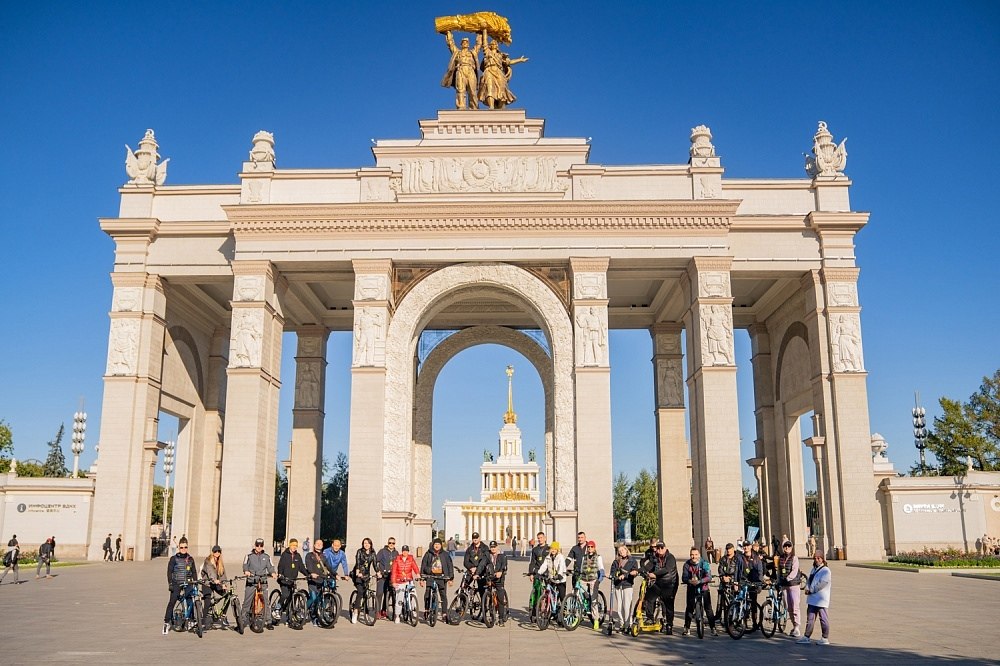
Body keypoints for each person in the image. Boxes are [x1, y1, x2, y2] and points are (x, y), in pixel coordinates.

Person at [162, 537, 197, 635]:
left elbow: (194, 571)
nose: (183, 549)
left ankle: (191, 620)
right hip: (177, 582)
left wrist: (195, 582)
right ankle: (166, 622)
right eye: (181, 547)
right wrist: (170, 583)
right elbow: (169, 571)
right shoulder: (174, 558)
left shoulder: (190, 559)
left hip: (188, 582)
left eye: (185, 547)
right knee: (172, 601)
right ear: (179, 548)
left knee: (190, 600)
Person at [642, 541, 678, 634]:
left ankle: (669, 624)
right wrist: (637, 571)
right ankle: (650, 618)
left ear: (665, 548)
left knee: (668, 604)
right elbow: (648, 567)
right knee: (648, 597)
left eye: (661, 548)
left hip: (670, 584)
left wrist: (654, 574)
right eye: (658, 548)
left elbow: (667, 569)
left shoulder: (670, 557)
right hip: (659, 583)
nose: (659, 550)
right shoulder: (655, 558)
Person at [797, 551, 831, 645]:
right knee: (810, 619)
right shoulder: (813, 569)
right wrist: (807, 588)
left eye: (818, 558)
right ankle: (807, 636)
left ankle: (825, 637)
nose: (816, 560)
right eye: (815, 558)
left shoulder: (826, 570)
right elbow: (809, 580)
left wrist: (811, 590)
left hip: (821, 599)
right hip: (812, 599)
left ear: (822, 559)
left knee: (823, 618)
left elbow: (822, 584)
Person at [441, 30, 481, 109]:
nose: (465, 43)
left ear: (468, 44)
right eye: (463, 42)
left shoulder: (473, 52)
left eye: (466, 42)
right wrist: (448, 33)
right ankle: (461, 106)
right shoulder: (457, 52)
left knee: (472, 90)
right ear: (461, 44)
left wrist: (480, 33)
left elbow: (479, 44)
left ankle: (474, 107)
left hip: (470, 71)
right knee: (460, 90)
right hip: (460, 70)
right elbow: (451, 44)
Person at [681, 547, 718, 636]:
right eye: (692, 555)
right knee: (689, 607)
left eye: (696, 554)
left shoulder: (704, 563)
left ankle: (713, 628)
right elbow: (684, 577)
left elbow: (708, 576)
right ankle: (687, 627)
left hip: (703, 587)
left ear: (699, 555)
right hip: (691, 587)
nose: (694, 557)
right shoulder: (687, 564)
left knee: (708, 608)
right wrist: (689, 581)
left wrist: (700, 581)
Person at [241, 537, 276, 630]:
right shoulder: (249, 556)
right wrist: (246, 571)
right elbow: (245, 565)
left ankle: (268, 621)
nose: (259, 547)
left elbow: (271, 566)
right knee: (247, 602)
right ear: (254, 545)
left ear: (263, 546)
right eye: (257, 545)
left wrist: (273, 573)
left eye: (261, 545)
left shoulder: (267, 556)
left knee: (266, 601)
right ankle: (242, 621)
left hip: (263, 580)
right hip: (252, 580)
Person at [420, 538, 455, 623]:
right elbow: (423, 565)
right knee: (427, 594)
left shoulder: (445, 555)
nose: (437, 546)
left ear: (441, 545)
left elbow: (450, 566)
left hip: (441, 577)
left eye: (438, 544)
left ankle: (444, 613)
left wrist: (451, 578)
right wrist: (422, 578)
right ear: (433, 545)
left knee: (443, 595)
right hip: (430, 576)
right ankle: (427, 609)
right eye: (435, 544)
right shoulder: (428, 553)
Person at [474, 540, 508, 625]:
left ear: (497, 547)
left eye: (494, 547)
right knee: (488, 594)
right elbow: (481, 565)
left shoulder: (502, 556)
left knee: (500, 598)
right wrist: (477, 574)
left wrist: (501, 572)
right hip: (490, 577)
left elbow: (504, 565)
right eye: (491, 547)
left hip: (499, 578)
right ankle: (489, 615)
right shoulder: (487, 556)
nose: (493, 549)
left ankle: (500, 618)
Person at [609, 544, 639, 633]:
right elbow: (612, 572)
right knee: (619, 607)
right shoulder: (616, 561)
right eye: (619, 551)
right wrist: (614, 576)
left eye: (623, 550)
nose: (621, 552)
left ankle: (628, 624)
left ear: (626, 550)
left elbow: (634, 572)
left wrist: (625, 575)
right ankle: (622, 624)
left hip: (627, 585)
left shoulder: (632, 561)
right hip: (618, 585)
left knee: (627, 606)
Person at [735, 541, 764, 630]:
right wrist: (736, 582)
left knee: (753, 603)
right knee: (742, 602)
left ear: (751, 546)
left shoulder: (756, 558)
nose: (746, 547)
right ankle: (743, 621)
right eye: (744, 546)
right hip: (743, 581)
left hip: (753, 582)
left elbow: (760, 571)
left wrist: (759, 584)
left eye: (747, 546)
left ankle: (755, 622)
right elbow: (737, 570)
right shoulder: (740, 558)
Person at [276, 538, 305, 627]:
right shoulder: (285, 555)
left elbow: (301, 567)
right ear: (289, 545)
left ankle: (289, 618)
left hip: (292, 580)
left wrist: (308, 574)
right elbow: (280, 566)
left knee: (291, 599)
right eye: (293, 545)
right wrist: (280, 574)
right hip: (284, 580)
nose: (294, 547)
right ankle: (277, 607)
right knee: (285, 595)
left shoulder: (298, 556)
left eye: (296, 546)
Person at [578, 540, 606, 629]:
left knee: (594, 599)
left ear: (594, 548)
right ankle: (580, 614)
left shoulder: (598, 557)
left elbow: (601, 568)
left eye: (591, 547)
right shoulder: (584, 557)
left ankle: (596, 620)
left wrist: (600, 579)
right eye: (588, 547)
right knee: (580, 595)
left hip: (593, 579)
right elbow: (582, 567)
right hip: (584, 578)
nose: (590, 548)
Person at [304, 539, 332, 625]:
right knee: (313, 597)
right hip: (313, 580)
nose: (319, 545)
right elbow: (308, 565)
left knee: (319, 599)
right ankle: (303, 610)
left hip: (321, 579)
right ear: (314, 545)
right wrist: (312, 573)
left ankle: (315, 616)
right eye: (317, 543)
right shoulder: (309, 555)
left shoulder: (323, 556)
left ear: (323, 546)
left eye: (321, 544)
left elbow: (329, 567)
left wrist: (336, 574)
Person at [778, 539, 802, 637]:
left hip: (793, 584)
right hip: (784, 585)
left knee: (795, 606)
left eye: (789, 546)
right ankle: (794, 625)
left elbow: (795, 570)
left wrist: (788, 578)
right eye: (785, 546)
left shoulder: (794, 558)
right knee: (788, 606)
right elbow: (779, 571)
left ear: (791, 548)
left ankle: (797, 627)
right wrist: (778, 581)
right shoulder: (780, 558)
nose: (787, 548)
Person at [390, 544, 419, 624]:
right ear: (402, 551)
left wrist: (418, 574)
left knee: (414, 595)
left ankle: (414, 610)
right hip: (400, 581)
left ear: (408, 551)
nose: (405, 552)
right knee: (399, 599)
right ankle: (397, 615)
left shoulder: (410, 558)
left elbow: (415, 567)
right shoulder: (397, 559)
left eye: (406, 551)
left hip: (409, 580)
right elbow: (394, 572)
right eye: (403, 551)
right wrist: (394, 582)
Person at [350, 537, 377, 624]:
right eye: (365, 543)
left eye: (368, 543)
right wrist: (358, 571)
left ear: (371, 544)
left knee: (366, 592)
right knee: (360, 592)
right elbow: (358, 562)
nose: (366, 545)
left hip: (366, 575)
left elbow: (375, 565)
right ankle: (355, 611)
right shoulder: (359, 551)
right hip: (358, 574)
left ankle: (365, 610)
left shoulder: (373, 553)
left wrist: (378, 572)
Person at [201, 545, 228, 629]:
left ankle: (223, 616)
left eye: (218, 551)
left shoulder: (220, 562)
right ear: (212, 552)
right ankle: (203, 620)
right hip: (207, 583)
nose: (217, 553)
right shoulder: (208, 561)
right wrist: (214, 580)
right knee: (207, 600)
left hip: (216, 584)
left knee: (227, 595)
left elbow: (222, 574)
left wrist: (224, 584)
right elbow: (210, 573)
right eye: (215, 551)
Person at [535, 541, 568, 605]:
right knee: (551, 595)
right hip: (552, 578)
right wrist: (539, 573)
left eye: (555, 549)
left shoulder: (560, 557)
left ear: (557, 550)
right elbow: (544, 566)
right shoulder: (548, 557)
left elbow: (562, 566)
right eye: (552, 548)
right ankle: (550, 610)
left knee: (562, 596)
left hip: (560, 579)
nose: (553, 550)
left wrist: (559, 574)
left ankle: (564, 610)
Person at [463, 531, 490, 606]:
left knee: (482, 590)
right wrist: (471, 568)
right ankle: (463, 605)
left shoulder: (485, 548)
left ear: (479, 538)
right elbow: (465, 562)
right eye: (473, 538)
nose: (475, 539)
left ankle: (483, 609)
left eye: (476, 538)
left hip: (481, 571)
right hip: (471, 571)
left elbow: (486, 560)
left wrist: (477, 569)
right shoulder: (469, 549)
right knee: (463, 586)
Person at [714, 542, 738, 624]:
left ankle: (733, 618)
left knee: (733, 601)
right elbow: (720, 569)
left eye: (730, 549)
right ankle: (719, 616)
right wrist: (723, 577)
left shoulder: (737, 559)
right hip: (724, 581)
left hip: (733, 582)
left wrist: (731, 578)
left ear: (733, 549)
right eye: (727, 549)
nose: (728, 550)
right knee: (721, 601)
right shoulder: (723, 559)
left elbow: (738, 571)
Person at [375, 537, 398, 619]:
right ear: (387, 543)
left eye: (393, 543)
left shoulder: (396, 553)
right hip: (382, 575)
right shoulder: (382, 551)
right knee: (379, 593)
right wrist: (377, 571)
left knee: (388, 594)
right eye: (390, 543)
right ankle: (377, 611)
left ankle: (384, 610)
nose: (391, 544)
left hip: (391, 576)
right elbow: (375, 561)